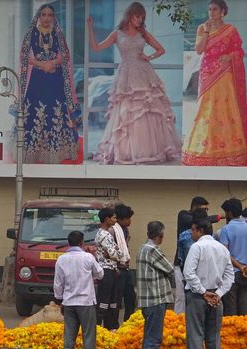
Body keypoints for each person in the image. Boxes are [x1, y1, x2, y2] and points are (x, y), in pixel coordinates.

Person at [87, 2, 181, 165]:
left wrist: (149, 57)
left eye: (142, 17)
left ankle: (150, 150)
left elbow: (161, 49)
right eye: (138, 16)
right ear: (130, 15)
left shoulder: (143, 33)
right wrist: (90, 29)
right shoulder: (117, 33)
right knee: (127, 112)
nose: (140, 20)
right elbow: (96, 48)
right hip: (126, 75)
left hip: (145, 73)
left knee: (148, 110)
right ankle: (127, 151)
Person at [183, 0, 247, 165]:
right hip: (207, 74)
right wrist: (205, 31)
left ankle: (228, 150)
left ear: (223, 11)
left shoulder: (231, 30)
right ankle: (206, 149)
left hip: (224, 74)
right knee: (206, 109)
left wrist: (230, 56)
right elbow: (199, 50)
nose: (211, 12)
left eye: (215, 9)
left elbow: (239, 50)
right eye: (209, 9)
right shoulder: (202, 28)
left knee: (225, 108)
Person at [18, 4, 81, 164]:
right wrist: (41, 65)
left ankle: (55, 151)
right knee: (35, 111)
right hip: (37, 80)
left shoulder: (58, 34)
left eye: (50, 15)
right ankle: (34, 152)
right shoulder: (30, 33)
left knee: (56, 110)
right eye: (44, 14)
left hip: (55, 79)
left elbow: (65, 55)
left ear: (53, 17)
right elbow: (24, 56)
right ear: (39, 16)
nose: (46, 18)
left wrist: (51, 63)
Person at [178, 218, 233, 349]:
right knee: (213, 338)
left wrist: (202, 292)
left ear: (200, 230)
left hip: (197, 297)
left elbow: (188, 272)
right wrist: (218, 294)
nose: (191, 233)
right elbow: (229, 275)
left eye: (193, 230)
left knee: (195, 337)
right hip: (216, 297)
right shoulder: (222, 249)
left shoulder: (197, 247)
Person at [53, 231, 103, 349]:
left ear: (69, 243)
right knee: (89, 334)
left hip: (69, 302)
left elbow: (58, 283)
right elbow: (100, 274)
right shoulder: (88, 257)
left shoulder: (61, 259)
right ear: (82, 243)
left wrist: (59, 299)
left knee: (69, 334)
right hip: (86, 302)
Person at [136, 221, 174, 349]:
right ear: (160, 235)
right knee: (154, 337)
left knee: (149, 336)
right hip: (156, 299)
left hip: (146, 300)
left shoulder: (142, 248)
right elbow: (170, 269)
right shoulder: (154, 250)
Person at [176, 208, 210, 314]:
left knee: (182, 298)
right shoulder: (210, 239)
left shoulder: (183, 236)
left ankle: (178, 321)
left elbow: (181, 258)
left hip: (186, 272)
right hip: (201, 274)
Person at [94, 208, 123, 329]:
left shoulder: (107, 234)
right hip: (106, 270)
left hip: (111, 269)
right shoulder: (104, 235)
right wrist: (115, 254)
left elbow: (118, 252)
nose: (116, 220)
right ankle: (98, 328)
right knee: (104, 301)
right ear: (107, 219)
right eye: (114, 217)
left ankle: (110, 327)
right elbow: (115, 254)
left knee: (112, 301)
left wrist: (116, 254)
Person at [219, 198, 247, 315]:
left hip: (232, 273)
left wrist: (239, 267)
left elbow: (224, 253)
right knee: (244, 309)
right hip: (246, 273)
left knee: (231, 311)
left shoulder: (226, 230)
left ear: (229, 213)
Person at [111, 203, 136, 322]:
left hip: (126, 267)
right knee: (116, 299)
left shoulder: (125, 231)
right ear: (120, 219)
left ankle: (128, 322)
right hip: (117, 268)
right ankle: (114, 324)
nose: (130, 221)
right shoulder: (113, 230)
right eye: (127, 219)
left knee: (131, 297)